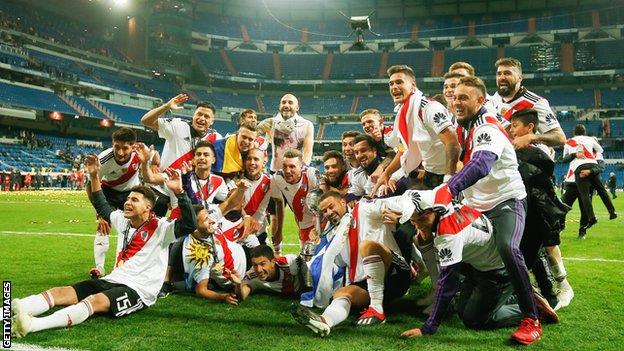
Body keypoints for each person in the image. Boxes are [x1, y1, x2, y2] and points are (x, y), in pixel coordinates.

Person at [10, 155, 197, 338]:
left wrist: (180, 193)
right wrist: (94, 176)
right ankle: (7, 311)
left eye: (134, 200)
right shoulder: (122, 220)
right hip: (114, 278)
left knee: (94, 301)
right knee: (60, 292)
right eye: (128, 198)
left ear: (148, 207)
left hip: (140, 290)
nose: (127, 202)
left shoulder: (162, 228)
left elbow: (190, 225)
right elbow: (102, 205)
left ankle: (32, 325)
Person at [447, 76, 546, 345]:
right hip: (476, 205)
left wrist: (449, 188)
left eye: (463, 98)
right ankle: (514, 294)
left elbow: (481, 164)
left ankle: (531, 318)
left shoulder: (485, 125)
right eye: (455, 97)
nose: (457, 102)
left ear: (481, 100)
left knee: (507, 247)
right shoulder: (465, 127)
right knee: (467, 315)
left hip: (505, 201)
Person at [398, 185, 558, 344]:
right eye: (413, 221)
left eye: (422, 219)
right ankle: (517, 296)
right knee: (462, 311)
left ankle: (535, 310)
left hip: (497, 272)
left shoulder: (448, 235)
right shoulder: (447, 205)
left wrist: (428, 328)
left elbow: (448, 285)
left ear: (434, 211)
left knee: (474, 320)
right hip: (480, 266)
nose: (418, 225)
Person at [290, 190, 411, 336]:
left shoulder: (364, 208)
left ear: (342, 202)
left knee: (366, 246)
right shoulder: (333, 234)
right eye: (324, 211)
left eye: (330, 206)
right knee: (342, 294)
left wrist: (401, 215)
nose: (328, 212)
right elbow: (339, 265)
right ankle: (324, 321)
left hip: (395, 273)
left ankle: (377, 310)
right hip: (372, 283)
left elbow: (398, 202)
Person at [509, 109, 573, 309]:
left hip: (538, 211)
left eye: (515, 126)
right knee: (531, 253)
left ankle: (551, 291)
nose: (511, 131)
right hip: (529, 209)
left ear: (530, 128)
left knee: (529, 254)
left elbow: (538, 174)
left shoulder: (540, 151)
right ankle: (545, 292)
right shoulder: (522, 149)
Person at [374, 64, 459, 196]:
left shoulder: (428, 108)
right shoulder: (405, 113)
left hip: (450, 174)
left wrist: (449, 180)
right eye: (391, 84)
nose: (394, 87)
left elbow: (452, 143)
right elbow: (403, 149)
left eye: (399, 82)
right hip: (432, 173)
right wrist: (387, 173)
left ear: (413, 85)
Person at [88, 128, 142, 279]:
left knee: (134, 229)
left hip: (130, 194)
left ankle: (129, 264)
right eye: (116, 147)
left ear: (133, 146)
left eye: (125, 148)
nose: (120, 152)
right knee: (103, 227)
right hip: (108, 193)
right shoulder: (103, 159)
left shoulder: (141, 154)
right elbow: (90, 184)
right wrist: (99, 212)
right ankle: (99, 268)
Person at [489, 58, 566, 148]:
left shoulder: (536, 103)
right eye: (499, 74)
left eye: (507, 73)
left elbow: (560, 138)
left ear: (520, 78)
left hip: (524, 159)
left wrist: (530, 137)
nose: (502, 77)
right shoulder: (493, 99)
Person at [140, 94, 221, 171]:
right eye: (199, 114)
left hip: (191, 184)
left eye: (206, 116)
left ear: (212, 121)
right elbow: (146, 121)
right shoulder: (177, 125)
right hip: (165, 182)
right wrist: (166, 106)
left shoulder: (216, 138)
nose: (202, 118)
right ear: (193, 115)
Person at [270, 149, 321, 249]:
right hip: (304, 226)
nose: (287, 171)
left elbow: (325, 198)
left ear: (301, 166)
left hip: (322, 222)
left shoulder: (312, 174)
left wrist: (319, 225)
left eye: (292, 166)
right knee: (307, 259)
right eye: (285, 166)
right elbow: (280, 203)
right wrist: (279, 231)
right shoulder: (277, 179)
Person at [258, 93, 314, 172]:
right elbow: (252, 136)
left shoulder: (307, 125)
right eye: (283, 102)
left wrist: (302, 170)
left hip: (296, 173)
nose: (286, 105)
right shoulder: (270, 123)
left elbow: (307, 152)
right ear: (279, 106)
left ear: (297, 107)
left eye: (290, 103)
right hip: (275, 172)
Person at [229, 244, 308, 300]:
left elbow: (308, 263)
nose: (259, 270)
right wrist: (238, 284)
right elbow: (242, 296)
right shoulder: (252, 276)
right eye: (255, 265)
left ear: (273, 262)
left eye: (262, 264)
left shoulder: (288, 263)